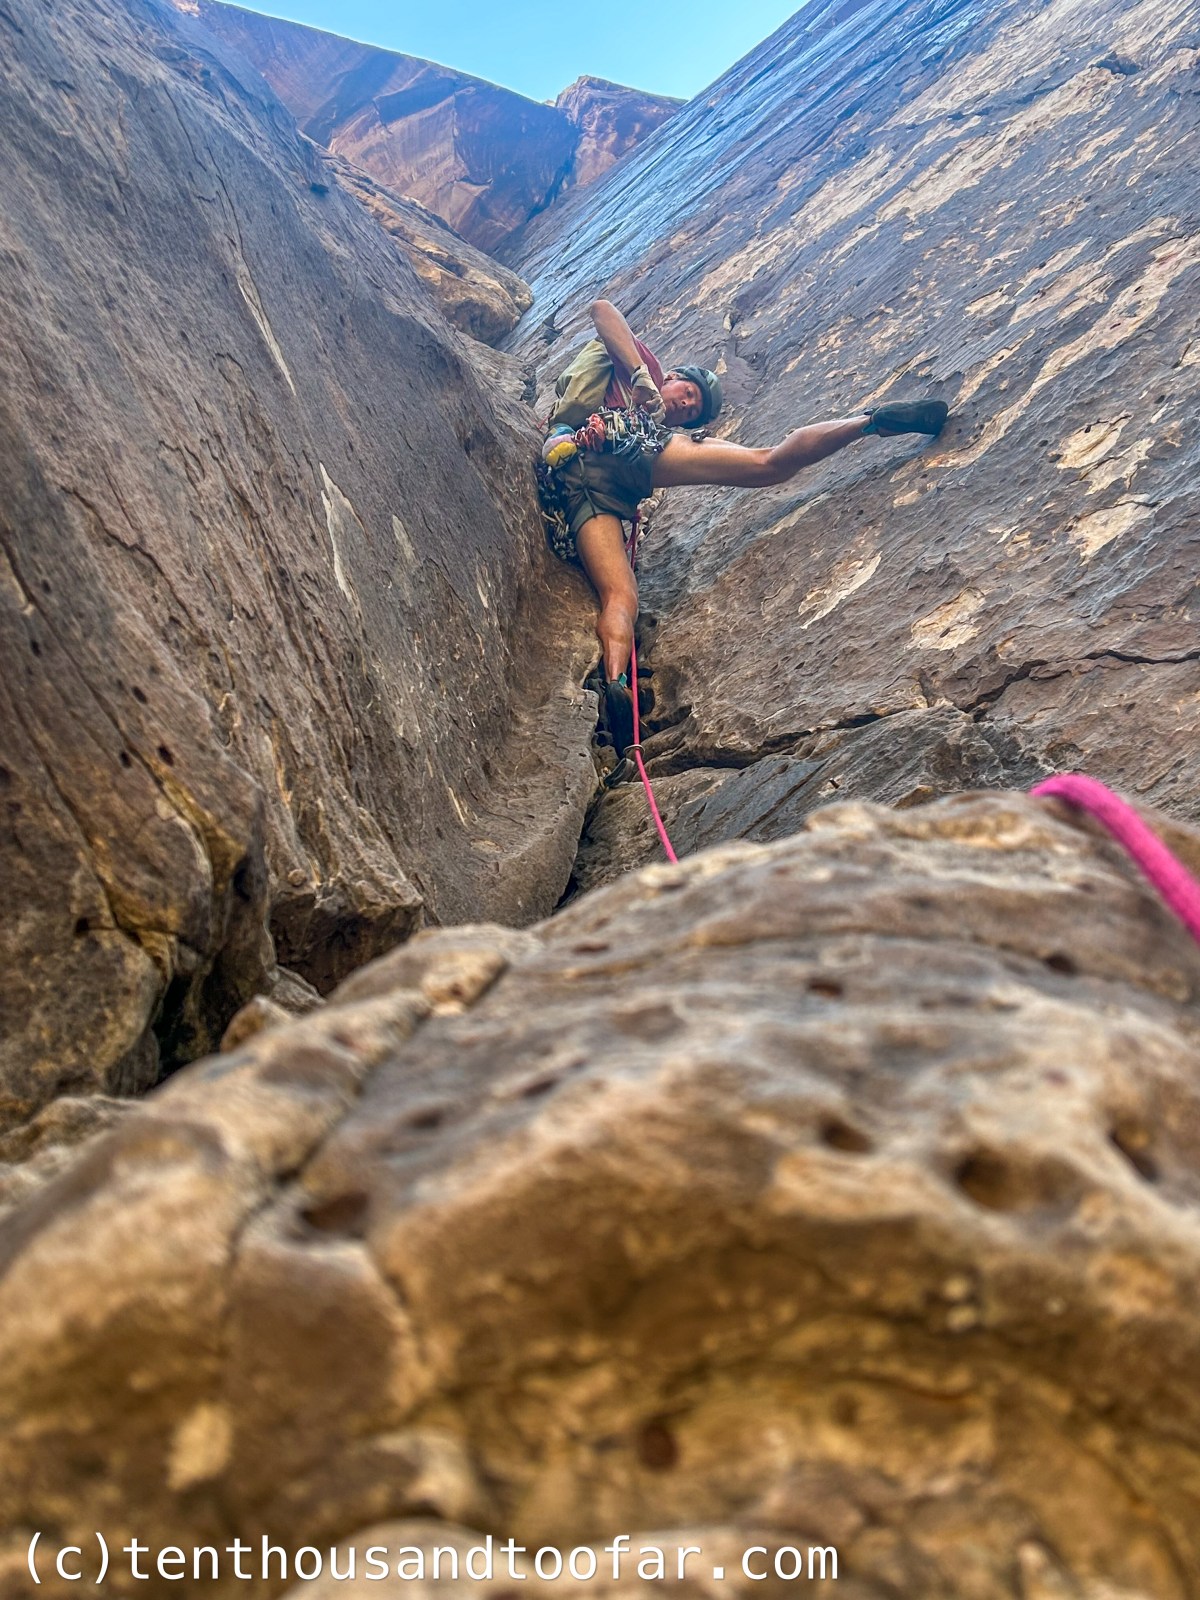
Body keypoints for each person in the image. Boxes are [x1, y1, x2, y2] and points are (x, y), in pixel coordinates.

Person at [536, 299, 947, 747]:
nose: (683, 409)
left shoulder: (628, 413)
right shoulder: (647, 372)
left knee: (622, 594)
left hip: (589, 487)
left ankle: (614, 687)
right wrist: (640, 378)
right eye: (687, 396)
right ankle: (869, 422)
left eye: (692, 414)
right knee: (764, 464)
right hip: (618, 451)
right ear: (671, 377)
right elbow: (600, 309)